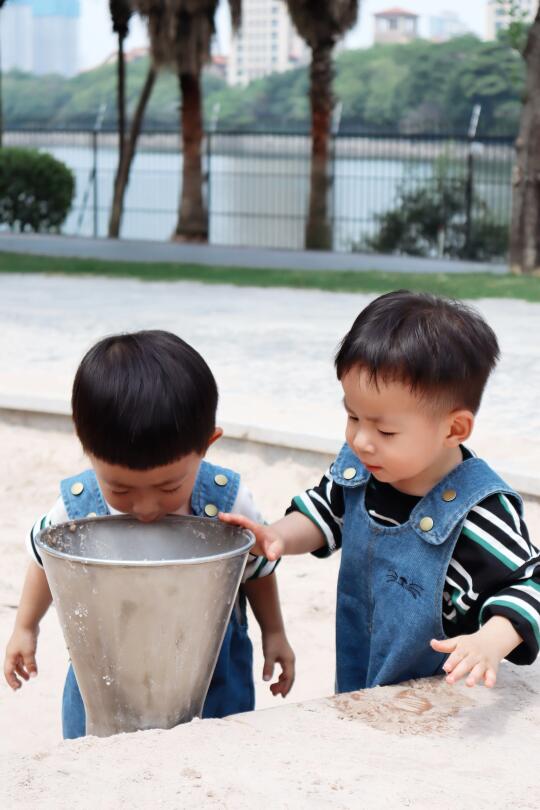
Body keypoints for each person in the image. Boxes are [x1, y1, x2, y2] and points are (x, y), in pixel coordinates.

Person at [221, 291, 540, 692]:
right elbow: (325, 514)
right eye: (352, 416)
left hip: (437, 700)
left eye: (385, 431)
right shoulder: (361, 472)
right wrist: (277, 536)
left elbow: (531, 584)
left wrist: (489, 641)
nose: (361, 440)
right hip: (360, 681)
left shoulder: (477, 513)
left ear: (454, 429)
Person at [4, 330, 295, 737]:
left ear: (207, 444)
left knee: (213, 752)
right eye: (121, 489)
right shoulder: (77, 508)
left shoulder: (226, 502)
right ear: (86, 447)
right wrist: (26, 626)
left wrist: (274, 632)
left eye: (168, 487)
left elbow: (258, 568)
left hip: (210, 676)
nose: (145, 507)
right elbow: (45, 559)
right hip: (106, 676)